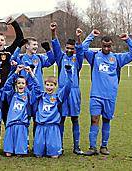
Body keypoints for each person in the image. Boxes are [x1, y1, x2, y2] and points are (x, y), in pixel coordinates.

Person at [82, 29, 132, 155]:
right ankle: (92, 147)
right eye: (104, 45)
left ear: (111, 45)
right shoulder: (94, 56)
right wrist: (91, 36)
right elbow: (83, 49)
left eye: (109, 46)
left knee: (106, 120)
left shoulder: (117, 58)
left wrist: (128, 40)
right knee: (94, 119)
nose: (106, 48)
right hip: (96, 95)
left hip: (110, 96)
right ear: (101, 45)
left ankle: (104, 146)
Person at [50, 22, 84, 155]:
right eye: (68, 48)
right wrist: (53, 31)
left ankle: (77, 147)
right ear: (65, 48)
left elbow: (81, 50)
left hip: (74, 92)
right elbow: (55, 46)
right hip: (62, 92)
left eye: (72, 48)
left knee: (75, 119)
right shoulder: (61, 58)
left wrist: (79, 37)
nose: (70, 50)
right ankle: (60, 146)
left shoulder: (78, 60)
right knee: (61, 119)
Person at [32, 65, 73, 158]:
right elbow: (35, 85)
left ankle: (53, 148)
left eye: (51, 85)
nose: (49, 87)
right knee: (38, 155)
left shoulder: (57, 97)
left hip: (52, 127)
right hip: (41, 126)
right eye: (47, 85)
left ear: (55, 86)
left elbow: (68, 87)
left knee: (54, 156)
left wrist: (69, 72)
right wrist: (32, 73)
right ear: (44, 85)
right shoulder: (41, 95)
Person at [2, 65, 38, 157]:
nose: (21, 85)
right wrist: (15, 72)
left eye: (23, 83)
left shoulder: (29, 95)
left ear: (25, 85)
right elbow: (7, 85)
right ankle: (10, 147)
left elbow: (38, 88)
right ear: (16, 85)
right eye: (18, 83)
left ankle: (21, 147)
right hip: (11, 124)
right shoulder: (12, 95)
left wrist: (31, 73)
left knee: (20, 153)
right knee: (8, 153)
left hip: (22, 124)